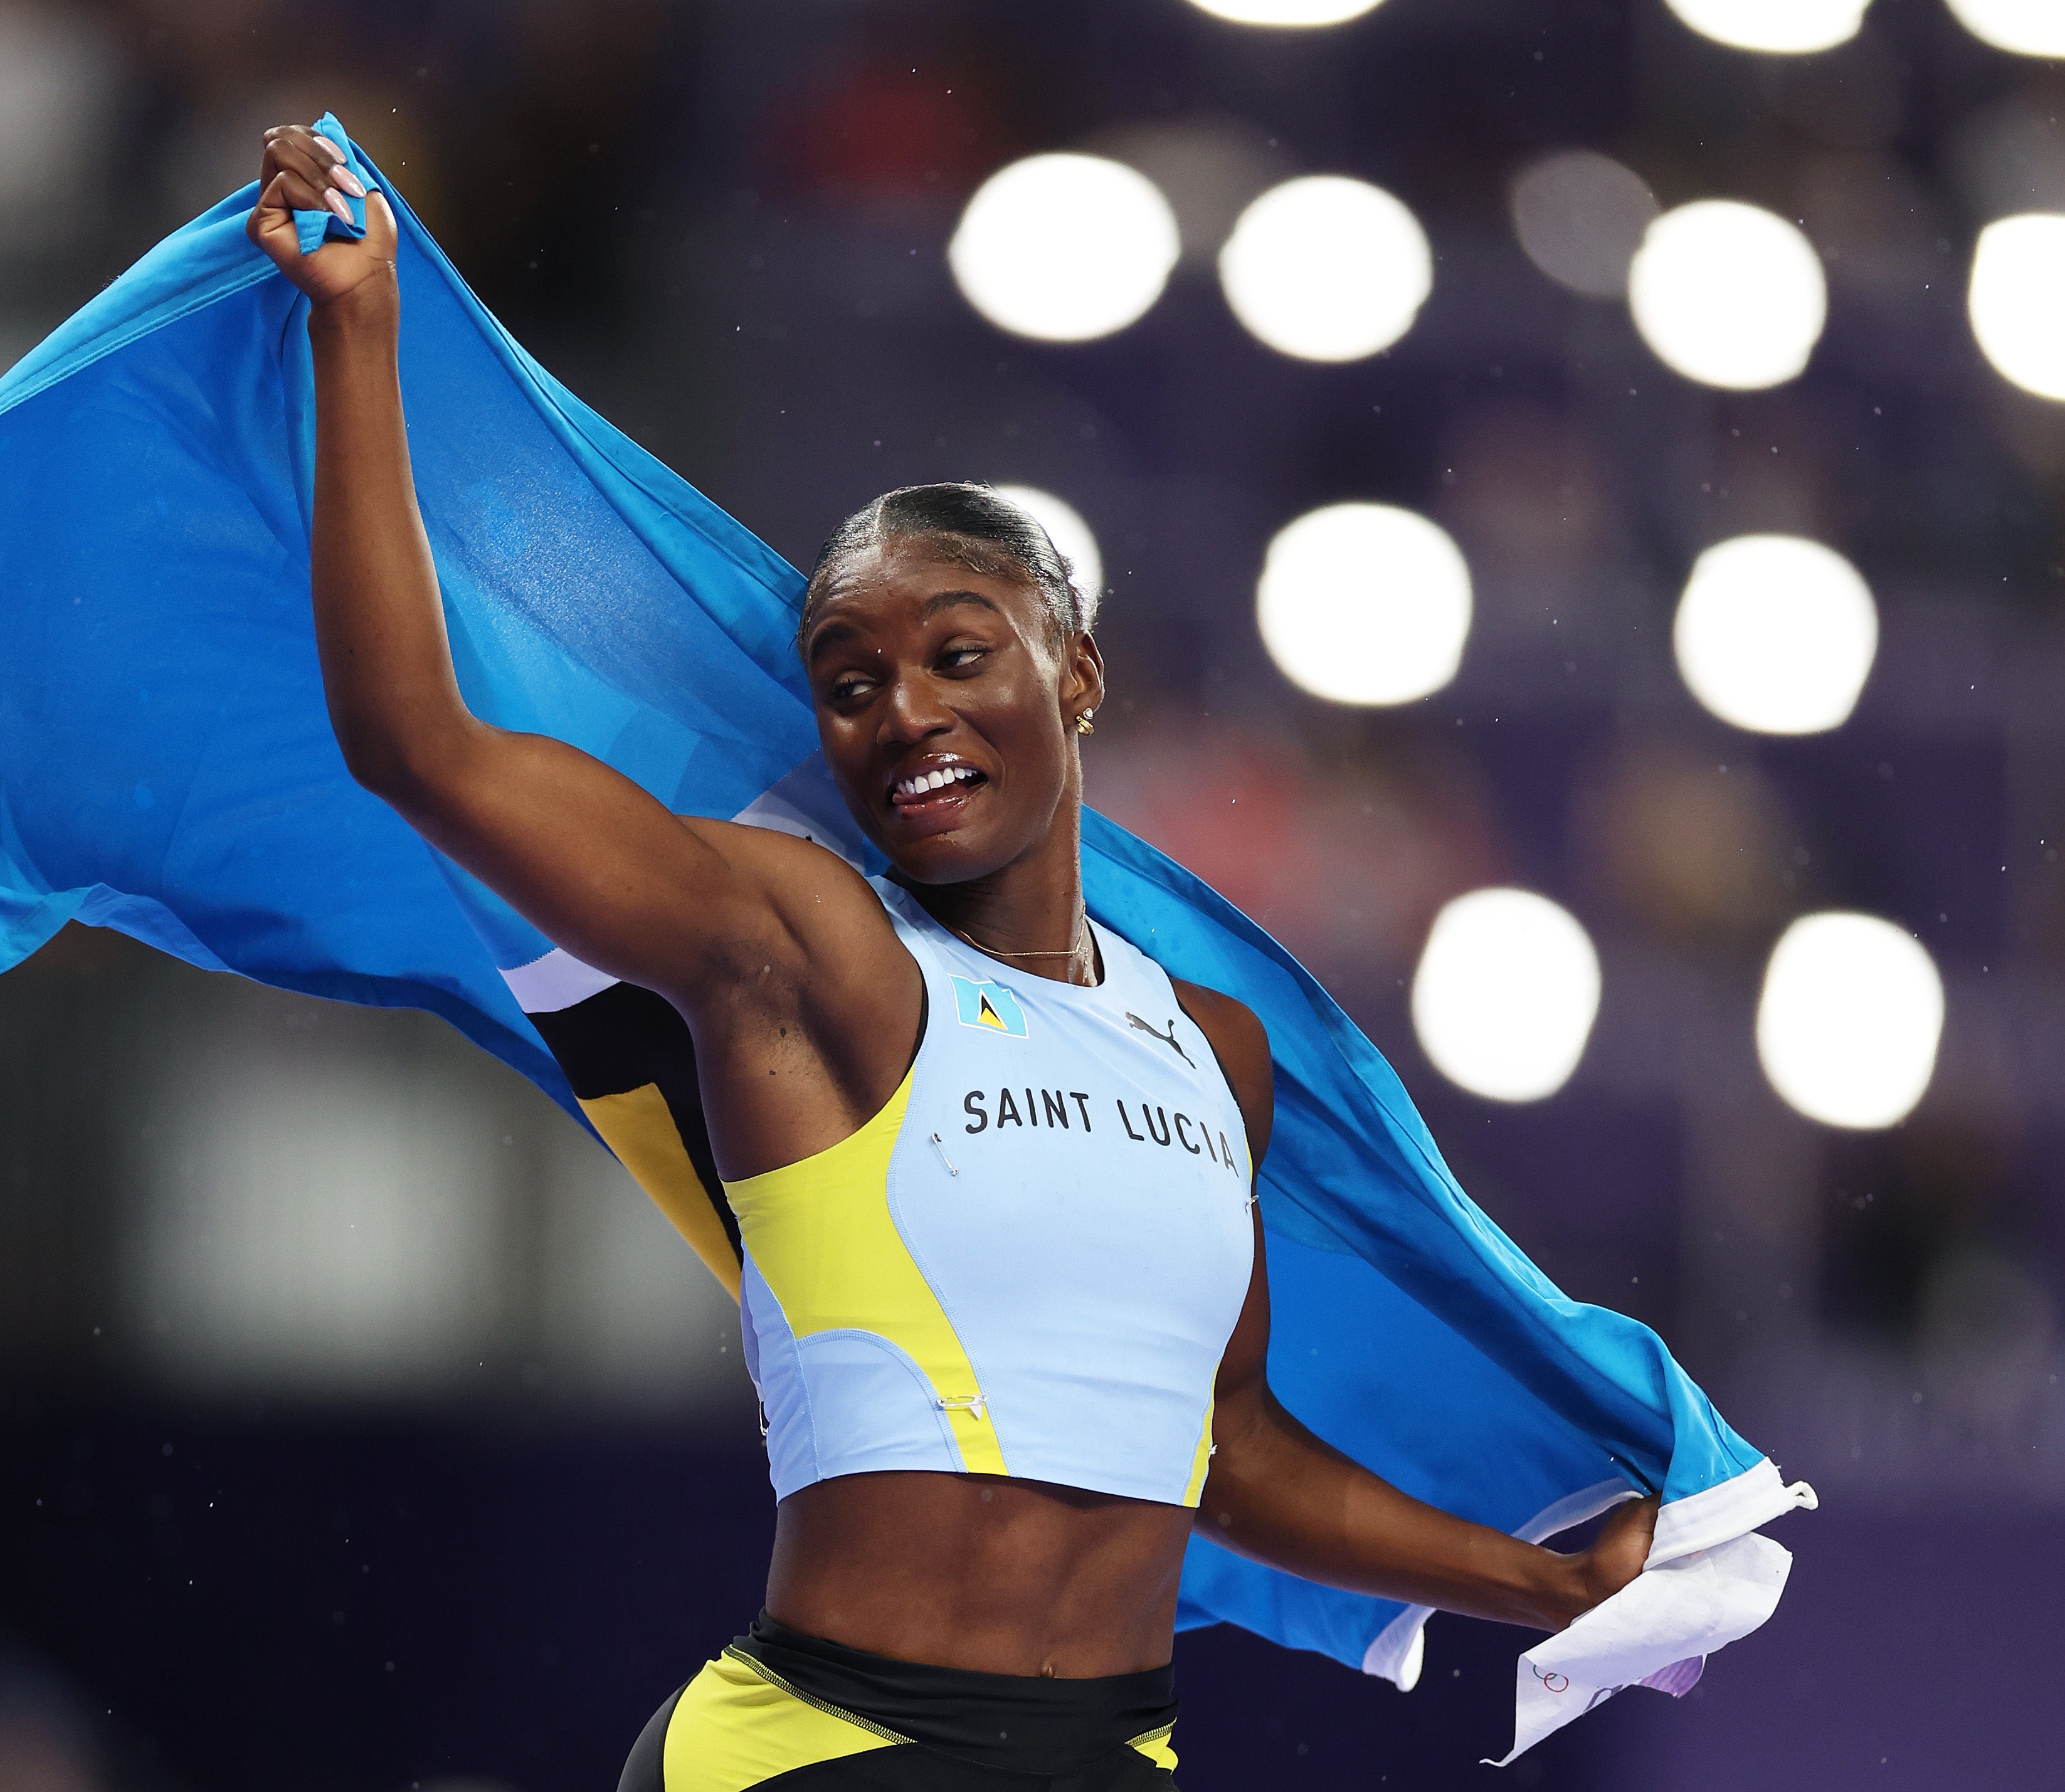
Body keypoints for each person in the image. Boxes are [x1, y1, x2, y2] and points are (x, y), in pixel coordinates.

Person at [246, 123, 1657, 1791]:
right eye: (847, 680)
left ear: (1075, 678)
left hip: (1107, 1757)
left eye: (955, 654)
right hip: (822, 1747)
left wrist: (1545, 1577)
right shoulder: (805, 946)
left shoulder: (1214, 1050)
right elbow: (419, 745)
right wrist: (357, 332)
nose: (901, 709)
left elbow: (1228, 1457)